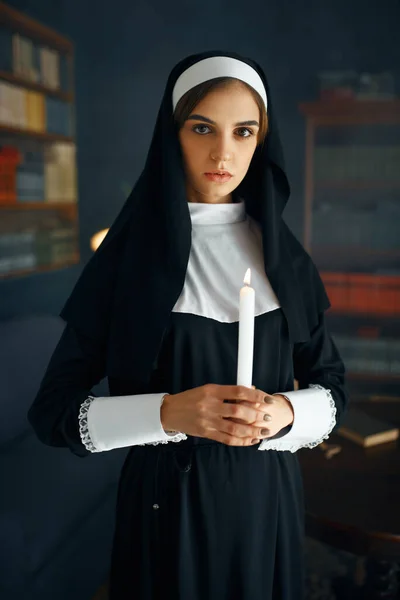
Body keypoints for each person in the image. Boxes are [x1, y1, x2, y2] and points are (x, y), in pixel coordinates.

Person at [28, 50, 348, 600]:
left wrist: (284, 411)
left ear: (260, 141)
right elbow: (53, 414)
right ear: (172, 133)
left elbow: (332, 387)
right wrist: (167, 412)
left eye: (243, 132)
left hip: (265, 500)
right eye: (203, 128)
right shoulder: (126, 261)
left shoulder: (286, 259)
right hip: (163, 507)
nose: (224, 152)